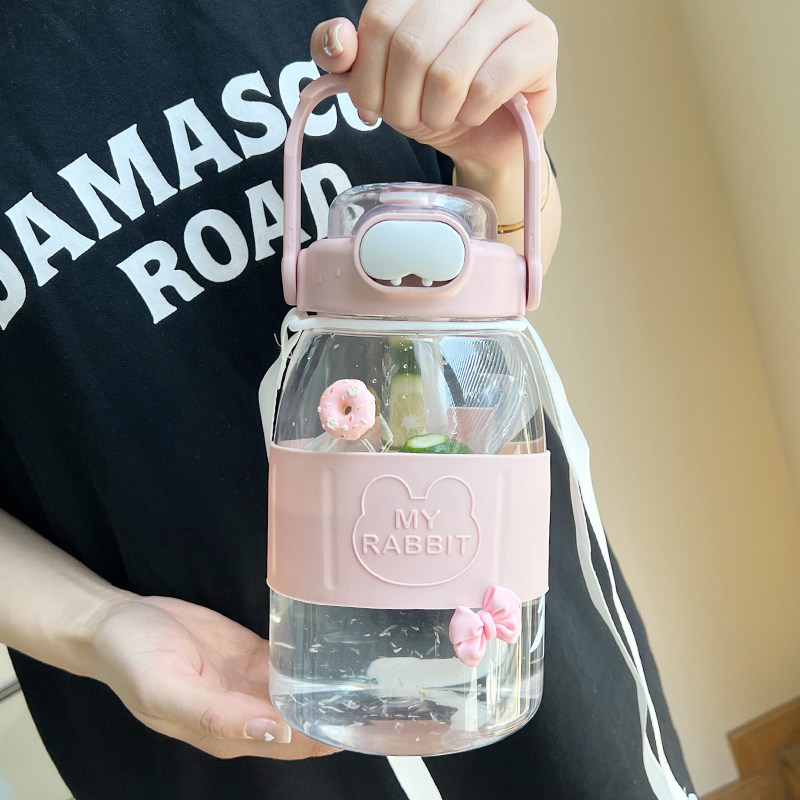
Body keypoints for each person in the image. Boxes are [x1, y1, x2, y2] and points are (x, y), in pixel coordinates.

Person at [0, 1, 694, 797]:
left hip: (499, 654)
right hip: (193, 714)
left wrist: (501, 157)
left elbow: (504, 256)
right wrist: (93, 622)